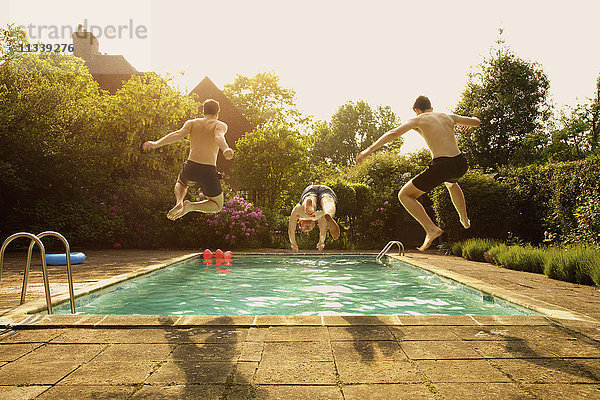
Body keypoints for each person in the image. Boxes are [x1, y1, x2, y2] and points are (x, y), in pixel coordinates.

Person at [356, 95, 480, 251]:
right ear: (431, 107)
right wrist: (470, 125)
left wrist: (368, 150)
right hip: (460, 163)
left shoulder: (418, 119)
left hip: (443, 165)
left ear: (417, 110)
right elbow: (476, 121)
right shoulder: (448, 117)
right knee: (451, 183)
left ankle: (431, 229)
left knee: (404, 195)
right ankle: (464, 219)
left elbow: (393, 134)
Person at [142, 99, 234, 220]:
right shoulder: (219, 124)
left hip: (191, 166)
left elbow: (177, 134)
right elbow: (218, 136)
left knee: (181, 183)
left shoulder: (192, 123)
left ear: (203, 112)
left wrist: (155, 143)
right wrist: (225, 149)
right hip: (208, 170)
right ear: (217, 113)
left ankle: (179, 201)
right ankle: (191, 206)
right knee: (217, 205)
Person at [288, 185, 341, 252]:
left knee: (309, 199)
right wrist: (321, 242)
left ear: (300, 221)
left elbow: (291, 231)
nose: (307, 228)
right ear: (313, 224)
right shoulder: (320, 217)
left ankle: (310, 206)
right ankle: (329, 214)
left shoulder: (298, 213)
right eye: (310, 229)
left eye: (303, 228)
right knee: (327, 202)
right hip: (325, 191)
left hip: (310, 191)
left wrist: (293, 243)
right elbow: (322, 232)